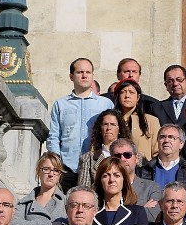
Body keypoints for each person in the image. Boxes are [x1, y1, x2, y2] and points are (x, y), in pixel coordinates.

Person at [48, 58, 114, 190]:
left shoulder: (105, 104)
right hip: (67, 168)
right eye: (80, 72)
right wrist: (57, 163)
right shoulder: (60, 104)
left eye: (88, 72)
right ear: (71, 76)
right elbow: (54, 136)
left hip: (97, 166)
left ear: (92, 75)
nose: (84, 75)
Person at [13, 152, 70, 225]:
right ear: (38, 171)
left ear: (60, 175)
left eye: (56, 170)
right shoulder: (25, 202)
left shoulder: (66, 202)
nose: (51, 174)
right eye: (46, 169)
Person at [92, 156, 151, 225]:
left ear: (124, 180)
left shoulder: (137, 213)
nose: (111, 180)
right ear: (100, 180)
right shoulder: (92, 212)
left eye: (117, 175)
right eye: (106, 175)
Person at [109, 138, 162, 221]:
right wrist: (141, 209)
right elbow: (103, 216)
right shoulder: (105, 187)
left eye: (127, 155)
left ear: (136, 158)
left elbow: (152, 216)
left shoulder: (151, 188)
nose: (123, 159)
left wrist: (118, 213)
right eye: (117, 156)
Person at [77, 109, 130, 188]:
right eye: (105, 124)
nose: (109, 128)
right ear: (100, 129)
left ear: (119, 129)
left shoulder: (130, 155)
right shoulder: (88, 158)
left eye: (113, 124)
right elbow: (83, 189)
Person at [114, 78, 161, 160]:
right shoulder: (111, 120)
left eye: (131, 92)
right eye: (123, 92)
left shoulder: (151, 121)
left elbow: (157, 151)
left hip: (142, 169)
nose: (127, 96)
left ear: (138, 97)